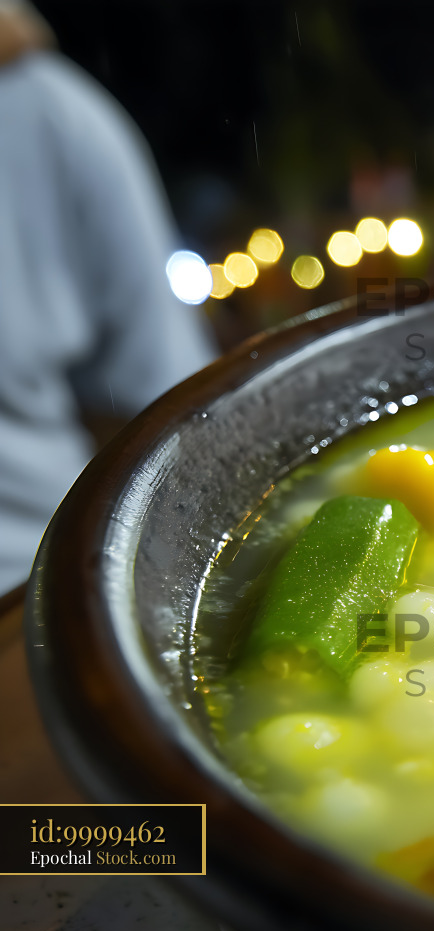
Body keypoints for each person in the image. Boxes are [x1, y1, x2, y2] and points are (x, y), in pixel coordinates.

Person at [0, 1, 214, 590]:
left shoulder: (48, 111)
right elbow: (161, 406)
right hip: (41, 581)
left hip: (38, 584)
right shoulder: (49, 110)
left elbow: (156, 408)